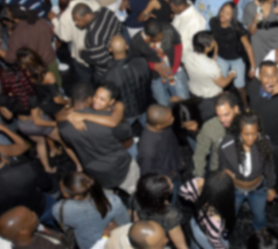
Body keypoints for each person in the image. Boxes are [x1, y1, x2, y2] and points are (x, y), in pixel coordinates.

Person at [57, 83, 139, 194]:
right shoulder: (108, 120)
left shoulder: (64, 125)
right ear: (89, 99)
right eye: (96, 96)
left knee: (109, 199)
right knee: (135, 191)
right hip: (120, 168)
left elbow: (69, 143)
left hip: (96, 172)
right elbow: (126, 136)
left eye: (102, 99)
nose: (96, 100)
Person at [218, 111, 276, 231]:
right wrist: (225, 175)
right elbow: (222, 166)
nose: (251, 138)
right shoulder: (226, 145)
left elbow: (269, 166)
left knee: (260, 216)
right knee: (230, 215)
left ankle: (261, 238)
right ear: (239, 132)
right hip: (235, 191)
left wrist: (271, 186)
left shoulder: (264, 143)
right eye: (246, 134)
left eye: (254, 133)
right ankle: (227, 232)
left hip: (258, 189)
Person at [52, 172, 130, 249]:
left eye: (64, 190)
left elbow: (65, 227)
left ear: (77, 197)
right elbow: (124, 224)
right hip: (111, 242)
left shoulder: (59, 209)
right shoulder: (113, 201)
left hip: (85, 244)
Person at [0, 4, 62, 87]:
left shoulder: (16, 35)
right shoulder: (40, 21)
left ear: (15, 19)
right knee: (57, 86)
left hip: (35, 70)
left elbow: (10, 58)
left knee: (44, 92)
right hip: (51, 62)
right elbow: (51, 35)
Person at [130, 19, 189, 106]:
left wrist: (175, 68)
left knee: (184, 102)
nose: (161, 39)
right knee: (163, 105)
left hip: (174, 69)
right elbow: (136, 62)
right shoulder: (137, 41)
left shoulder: (168, 28)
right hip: (155, 76)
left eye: (162, 35)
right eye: (158, 38)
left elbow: (178, 45)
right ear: (149, 37)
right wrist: (153, 66)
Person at [210, 1, 256, 108]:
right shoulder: (213, 22)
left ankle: (245, 106)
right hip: (221, 57)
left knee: (240, 87)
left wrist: (253, 67)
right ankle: (222, 106)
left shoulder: (237, 28)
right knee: (219, 84)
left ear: (233, 16)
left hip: (236, 58)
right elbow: (215, 40)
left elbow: (248, 47)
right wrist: (215, 54)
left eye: (228, 13)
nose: (223, 15)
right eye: (222, 11)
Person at [184, 31, 236, 121]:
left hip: (194, 92)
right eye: (212, 41)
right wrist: (232, 75)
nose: (214, 41)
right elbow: (223, 83)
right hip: (210, 99)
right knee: (211, 119)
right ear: (207, 47)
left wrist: (215, 50)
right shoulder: (211, 66)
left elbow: (209, 62)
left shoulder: (187, 54)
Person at [48, 0, 100, 85]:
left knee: (86, 81)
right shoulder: (92, 2)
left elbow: (65, 37)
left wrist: (54, 20)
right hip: (98, 48)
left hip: (81, 54)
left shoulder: (67, 15)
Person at [180, 170, 235, 249]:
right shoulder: (217, 223)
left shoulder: (198, 184)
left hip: (196, 224)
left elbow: (183, 191)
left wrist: (195, 199)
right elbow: (216, 243)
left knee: (196, 244)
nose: (234, 175)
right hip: (206, 236)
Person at [105, 35, 151, 125]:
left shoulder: (109, 75)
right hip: (144, 107)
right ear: (127, 46)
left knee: (124, 136)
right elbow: (149, 80)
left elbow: (111, 96)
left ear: (110, 50)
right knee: (150, 130)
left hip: (126, 114)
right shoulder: (142, 62)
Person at [132, 174, 188, 249]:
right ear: (163, 195)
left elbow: (135, 219)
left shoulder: (137, 197)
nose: (172, 184)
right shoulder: (170, 214)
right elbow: (181, 246)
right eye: (169, 185)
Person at [193, 92, 239, 177]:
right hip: (219, 172)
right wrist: (199, 177)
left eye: (226, 115)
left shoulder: (247, 123)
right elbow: (200, 154)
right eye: (219, 115)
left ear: (236, 109)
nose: (222, 119)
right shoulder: (210, 127)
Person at [72, 3, 122, 79]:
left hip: (107, 73)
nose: (76, 23)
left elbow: (101, 62)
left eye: (78, 20)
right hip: (121, 55)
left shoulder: (93, 38)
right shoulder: (105, 11)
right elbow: (119, 25)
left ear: (87, 16)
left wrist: (83, 54)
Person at [138, 104, 184, 185]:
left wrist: (178, 160)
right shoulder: (147, 150)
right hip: (168, 178)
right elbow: (148, 174)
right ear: (158, 126)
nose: (173, 119)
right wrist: (170, 175)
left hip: (175, 164)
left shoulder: (165, 127)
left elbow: (172, 143)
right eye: (170, 119)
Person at [0, 206, 67, 249]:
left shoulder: (31, 230)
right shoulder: (47, 246)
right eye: (31, 216)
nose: (34, 213)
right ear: (23, 231)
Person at [243, 0, 278, 66]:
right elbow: (252, 31)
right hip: (258, 42)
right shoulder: (250, 7)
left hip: (275, 40)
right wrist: (254, 22)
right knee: (260, 66)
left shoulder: (276, 4)